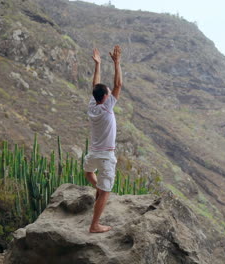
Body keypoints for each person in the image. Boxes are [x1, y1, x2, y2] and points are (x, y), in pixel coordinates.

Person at [83, 45, 122, 233]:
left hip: (93, 153)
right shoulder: (108, 107)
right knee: (105, 192)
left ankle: (97, 188)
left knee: (89, 173)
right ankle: (94, 225)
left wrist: (98, 65)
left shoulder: (93, 105)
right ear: (106, 97)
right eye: (108, 92)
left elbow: (95, 86)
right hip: (106, 156)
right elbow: (118, 85)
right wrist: (117, 63)